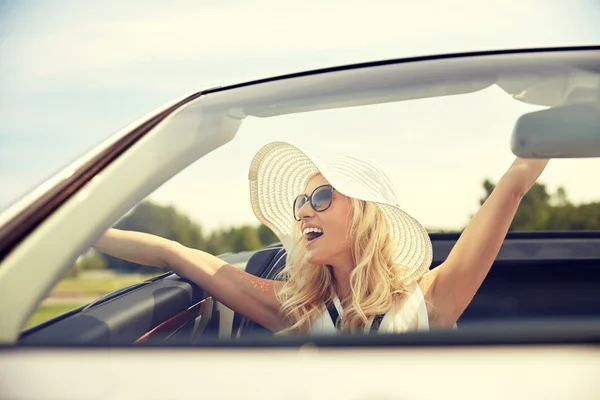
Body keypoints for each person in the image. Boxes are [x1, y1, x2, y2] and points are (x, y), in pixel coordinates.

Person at [93, 141, 549, 335]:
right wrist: (76, 234)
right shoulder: (293, 306)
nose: (304, 209)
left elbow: (511, 188)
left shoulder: (431, 298)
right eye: (301, 201)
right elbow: (171, 251)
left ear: (365, 215)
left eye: (324, 196)